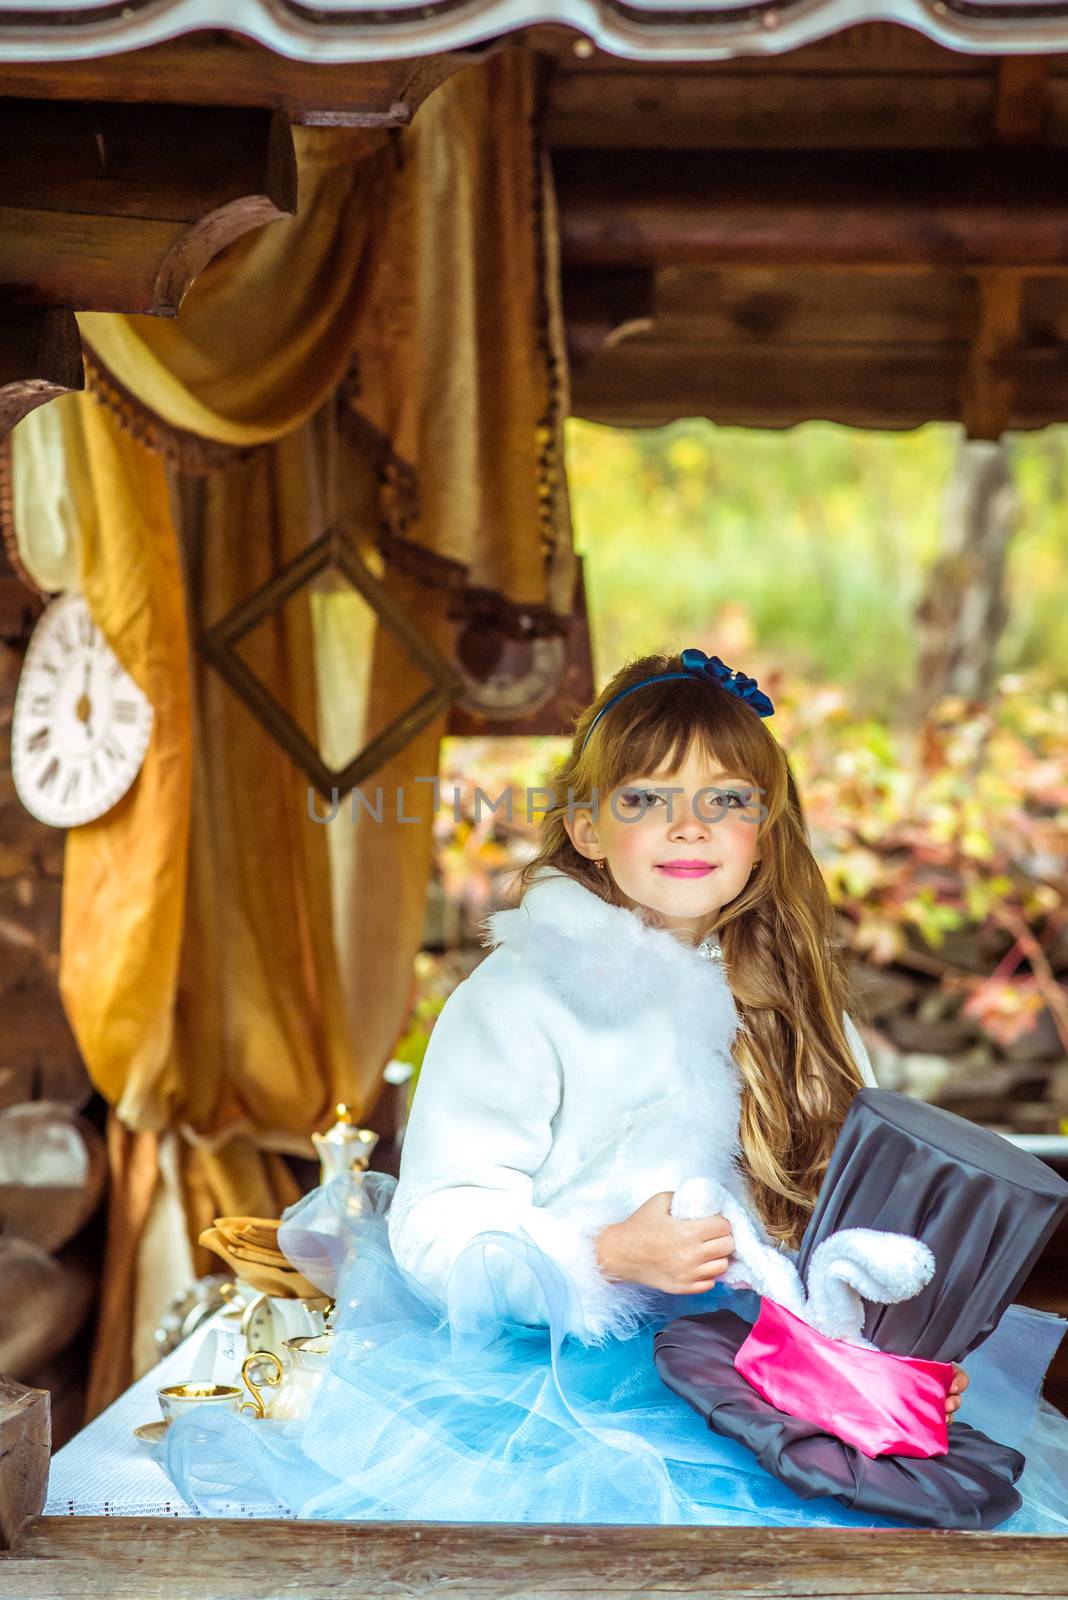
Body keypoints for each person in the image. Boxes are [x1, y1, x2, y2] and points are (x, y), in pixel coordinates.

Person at [162, 647, 1068, 1530]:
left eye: (726, 800)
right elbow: (438, 1222)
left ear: (766, 828)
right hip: (570, 1389)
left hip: (778, 1378)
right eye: (646, 799)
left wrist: (885, 1359)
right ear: (589, 828)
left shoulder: (806, 1016)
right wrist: (604, 1257)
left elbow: (856, 1232)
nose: (690, 825)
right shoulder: (521, 1000)